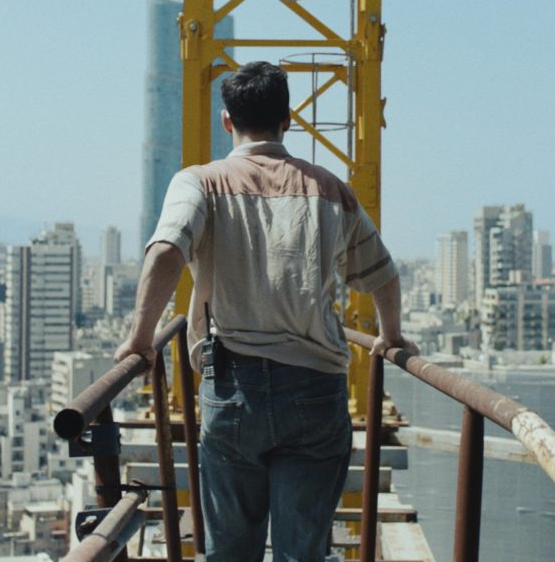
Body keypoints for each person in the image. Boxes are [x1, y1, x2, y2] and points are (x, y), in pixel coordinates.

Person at [116, 61, 417, 561]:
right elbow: (381, 271)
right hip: (316, 390)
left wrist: (140, 338)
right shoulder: (329, 188)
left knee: (230, 550)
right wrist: (390, 335)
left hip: (234, 388)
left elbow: (167, 249)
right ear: (289, 118)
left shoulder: (200, 182)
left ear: (226, 121)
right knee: (302, 551)